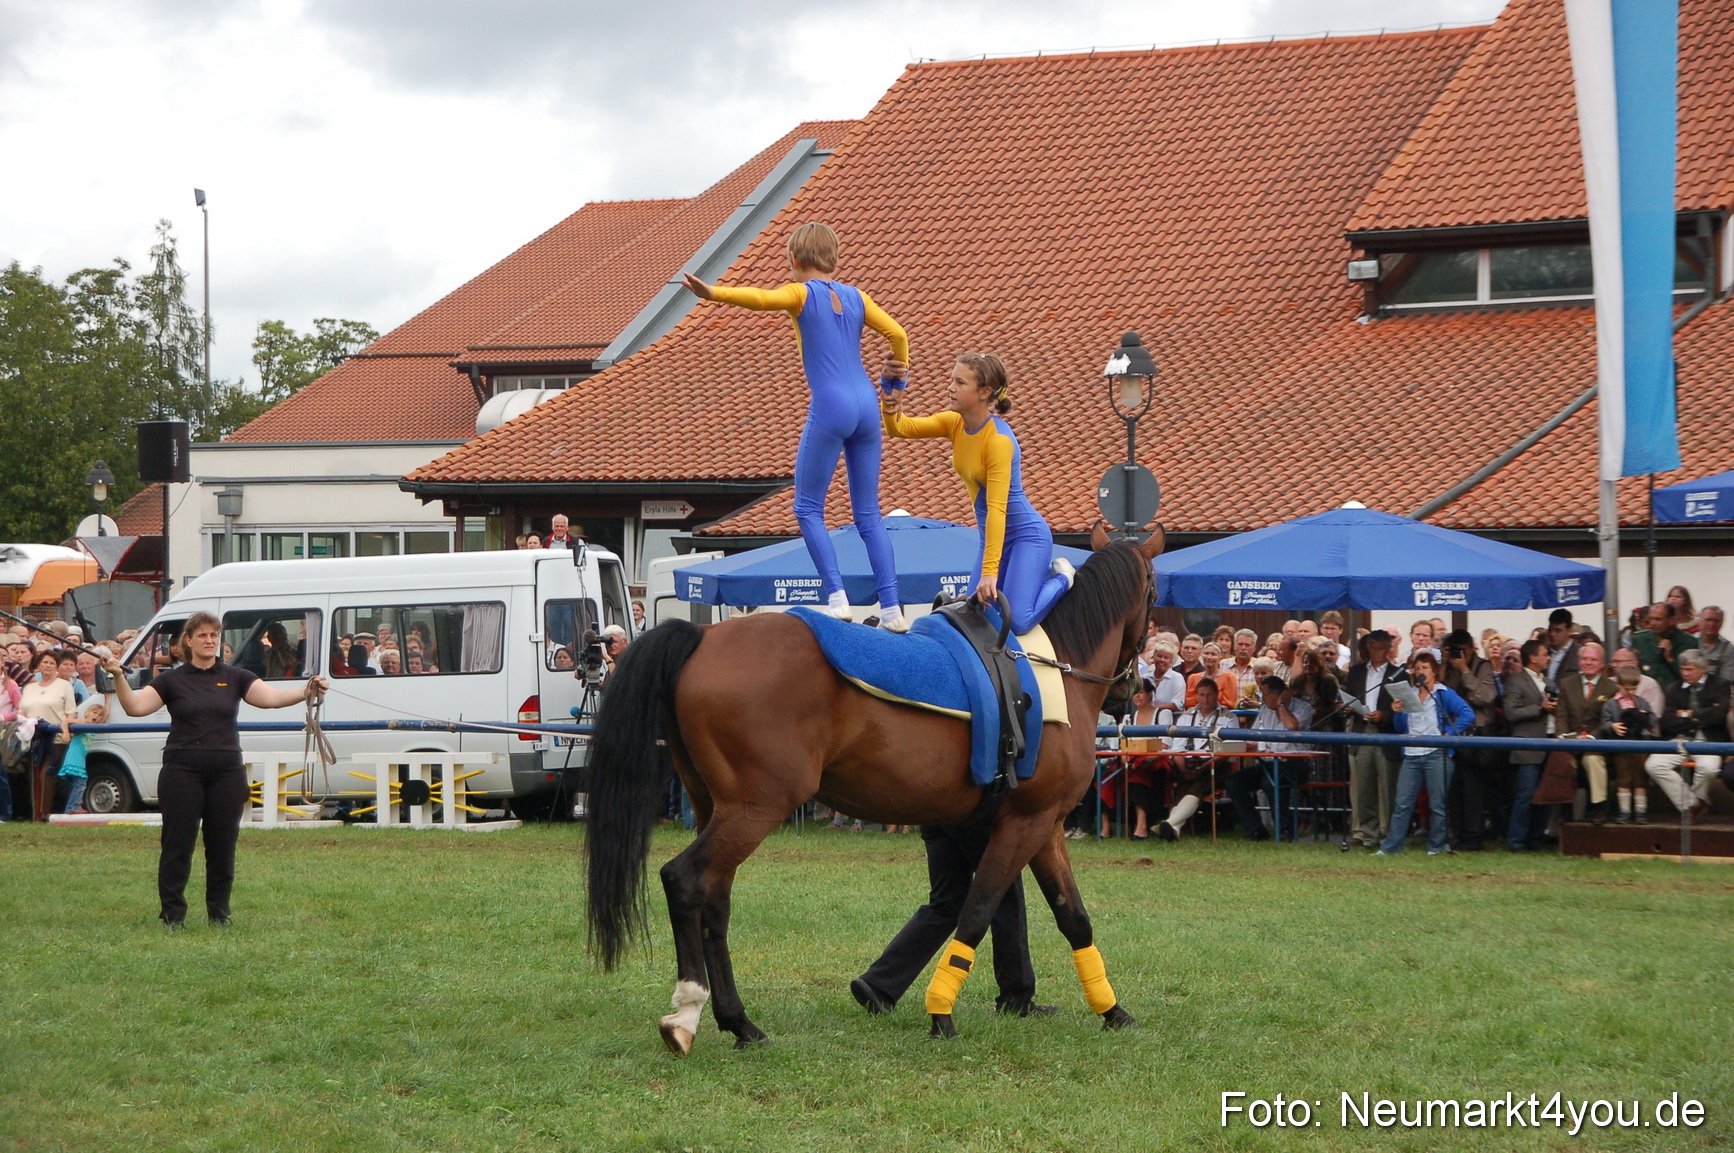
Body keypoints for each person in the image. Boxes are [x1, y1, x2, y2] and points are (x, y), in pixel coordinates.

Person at [684, 222, 907, 629]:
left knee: (807, 508)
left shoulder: (801, 293)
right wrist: (894, 385)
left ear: (793, 258)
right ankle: (892, 608)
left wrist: (712, 293)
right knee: (869, 513)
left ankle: (836, 596)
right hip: (867, 407)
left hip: (832, 405)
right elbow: (898, 334)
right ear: (834, 259)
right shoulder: (857, 297)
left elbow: (761, 299)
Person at [104, 613, 331, 928]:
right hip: (181, 770)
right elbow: (135, 707)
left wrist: (307, 691)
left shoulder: (236, 677)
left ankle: (219, 913)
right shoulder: (171, 680)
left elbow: (272, 698)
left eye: (214, 635)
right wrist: (118, 676)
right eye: (202, 635)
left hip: (226, 772)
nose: (209, 640)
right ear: (188, 641)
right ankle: (172, 915)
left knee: (222, 846)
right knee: (177, 845)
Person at [882, 353, 1075, 635]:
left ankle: (1063, 578)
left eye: (960, 382)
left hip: (1026, 536)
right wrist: (891, 400)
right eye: (952, 380)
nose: (950, 387)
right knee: (972, 619)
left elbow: (997, 509)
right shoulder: (955, 423)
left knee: (1018, 621)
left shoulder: (998, 441)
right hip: (991, 539)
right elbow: (899, 428)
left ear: (984, 392)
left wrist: (989, 573)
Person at [850, 811, 1051, 1019]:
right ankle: (1016, 999)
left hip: (936, 812)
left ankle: (879, 984)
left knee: (946, 904)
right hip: (974, 813)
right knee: (1005, 895)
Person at [1377, 651, 1474, 856]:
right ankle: (1391, 847)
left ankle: (1436, 846)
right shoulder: (1409, 694)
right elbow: (1401, 727)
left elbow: (1467, 713)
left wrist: (1450, 733)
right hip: (1411, 754)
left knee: (1437, 803)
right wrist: (1397, 712)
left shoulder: (1443, 693)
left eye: (1425, 668)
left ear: (1434, 671)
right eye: (1418, 668)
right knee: (1402, 803)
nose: (1421, 671)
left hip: (1436, 753)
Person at [1643, 649, 1728, 818]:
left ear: (1703, 669)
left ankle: (1693, 806)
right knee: (1653, 765)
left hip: (1709, 741)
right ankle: (1693, 803)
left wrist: (1687, 714)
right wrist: (1703, 715)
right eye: (1682, 669)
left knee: (1709, 769)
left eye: (1689, 669)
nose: (1685, 673)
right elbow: (1667, 721)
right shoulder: (1673, 688)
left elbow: (1719, 715)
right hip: (1680, 739)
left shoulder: (1719, 685)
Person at [1227, 676, 1311, 841]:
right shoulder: (1265, 710)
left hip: (1294, 764)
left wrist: (1281, 705)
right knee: (1233, 782)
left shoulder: (1303, 708)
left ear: (1277, 695)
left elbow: (1292, 726)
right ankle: (1256, 829)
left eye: (1265, 695)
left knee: (1270, 782)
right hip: (1267, 763)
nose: (1262, 699)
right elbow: (1253, 737)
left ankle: (1285, 830)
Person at [1341, 631, 1401, 850]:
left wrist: (1384, 714)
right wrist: (1349, 707)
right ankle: (1367, 834)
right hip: (1361, 730)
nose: (1375, 652)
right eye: (1372, 648)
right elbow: (1347, 696)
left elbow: (1403, 705)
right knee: (1363, 786)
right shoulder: (1356, 672)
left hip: (1385, 733)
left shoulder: (1398, 673)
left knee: (1387, 786)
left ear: (1388, 649)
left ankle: (1387, 834)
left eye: (1379, 648)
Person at [1439, 629, 1498, 850]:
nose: (1458, 654)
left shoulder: (1483, 666)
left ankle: (1473, 836)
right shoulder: (1448, 667)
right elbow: (1442, 694)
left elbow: (1486, 697)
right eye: (1453, 650)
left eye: (1461, 650)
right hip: (1453, 734)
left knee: (1472, 789)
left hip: (1476, 735)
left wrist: (1464, 670)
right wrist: (1444, 665)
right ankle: (1458, 832)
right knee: (1454, 789)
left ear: (1471, 648)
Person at [1156, 677, 1229, 841]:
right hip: (1187, 762)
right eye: (1201, 695)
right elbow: (1177, 748)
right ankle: (1172, 827)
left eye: (1209, 695)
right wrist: (1184, 770)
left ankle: (1169, 823)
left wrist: (1203, 767)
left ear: (1217, 695)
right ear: (1196, 696)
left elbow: (1228, 750)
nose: (1205, 699)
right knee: (1182, 785)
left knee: (1198, 786)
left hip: (1214, 763)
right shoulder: (1186, 717)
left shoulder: (1228, 717)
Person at [1503, 638, 1557, 851]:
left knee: (1545, 796)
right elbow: (1511, 712)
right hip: (1528, 747)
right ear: (1533, 657)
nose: (1549, 658)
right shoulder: (1516, 681)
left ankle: (1535, 840)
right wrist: (1539, 708)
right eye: (1545, 654)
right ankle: (1516, 841)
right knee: (1525, 796)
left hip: (1550, 743)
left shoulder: (1549, 681)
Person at [1557, 642, 1617, 823]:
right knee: (1561, 759)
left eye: (1593, 659)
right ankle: (1565, 808)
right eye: (1584, 659)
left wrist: (1591, 737)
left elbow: (1607, 720)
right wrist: (1563, 736)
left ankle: (1599, 808)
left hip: (1597, 742)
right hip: (1570, 741)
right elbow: (1561, 716)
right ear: (1578, 662)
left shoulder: (1611, 688)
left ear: (1602, 663)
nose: (1588, 663)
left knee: (1593, 760)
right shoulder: (1567, 684)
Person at [19, 650, 77, 821]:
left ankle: (45, 814)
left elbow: (71, 712)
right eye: (45, 662)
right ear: (38, 665)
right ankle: (32, 814)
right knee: (32, 775)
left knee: (47, 773)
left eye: (52, 663)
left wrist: (68, 732)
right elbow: (21, 711)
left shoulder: (64, 686)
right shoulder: (29, 687)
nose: (48, 665)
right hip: (32, 738)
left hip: (55, 738)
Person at [1601, 667, 1658, 824]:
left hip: (1640, 745)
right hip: (1621, 746)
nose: (1631, 692)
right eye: (1627, 689)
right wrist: (1612, 726)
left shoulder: (1641, 702)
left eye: (1634, 688)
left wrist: (1644, 716)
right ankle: (1624, 811)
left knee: (1640, 778)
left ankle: (1640, 811)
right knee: (1623, 778)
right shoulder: (1611, 704)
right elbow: (1604, 722)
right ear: (1619, 685)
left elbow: (1653, 720)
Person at [1631, 601, 1698, 691]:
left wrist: (1670, 659)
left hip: (1678, 694)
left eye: (1658, 619)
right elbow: (1634, 672)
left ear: (1671, 620)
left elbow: (1692, 677)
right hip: (1647, 693)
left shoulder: (1689, 642)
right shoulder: (1640, 639)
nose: (1652, 623)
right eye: (1650, 619)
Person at [58, 698, 105, 813]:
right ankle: (72, 807)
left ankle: (74, 806)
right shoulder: (83, 723)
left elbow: (105, 716)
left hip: (80, 759)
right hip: (74, 758)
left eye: (99, 715)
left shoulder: (93, 728)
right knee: (81, 782)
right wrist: (65, 733)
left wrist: (107, 700)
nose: (97, 716)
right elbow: (66, 721)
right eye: (94, 712)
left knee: (79, 783)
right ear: (87, 713)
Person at [1610, 646, 1666, 715]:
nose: (1613, 665)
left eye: (1618, 661)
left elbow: (1654, 714)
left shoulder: (1649, 684)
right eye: (1613, 661)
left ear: (1634, 662)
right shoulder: (1609, 682)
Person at [1186, 641, 1238, 710]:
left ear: (1220, 657)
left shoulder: (1229, 677)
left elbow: (1229, 704)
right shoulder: (1193, 678)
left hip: (1221, 714)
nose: (1209, 657)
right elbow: (1190, 705)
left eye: (1213, 654)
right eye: (1206, 653)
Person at [1694, 605, 1729, 680]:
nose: (1712, 624)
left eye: (1716, 621)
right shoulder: (1689, 642)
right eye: (1708, 620)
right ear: (1700, 621)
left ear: (1722, 623)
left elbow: (1726, 680)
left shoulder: (1728, 648)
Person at [1545, 609, 1580, 683]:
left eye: (1558, 630)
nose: (1552, 634)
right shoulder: (1543, 651)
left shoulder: (1580, 653)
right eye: (1550, 630)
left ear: (1569, 631)